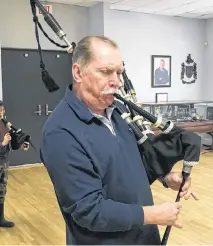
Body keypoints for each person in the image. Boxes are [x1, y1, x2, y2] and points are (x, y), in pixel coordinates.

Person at [40, 36, 199, 245]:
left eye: (119, 72)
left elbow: (130, 163)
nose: (116, 81)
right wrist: (151, 215)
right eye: (106, 72)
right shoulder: (60, 133)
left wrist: (165, 177)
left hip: (144, 238)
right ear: (78, 72)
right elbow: (89, 210)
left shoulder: (118, 111)